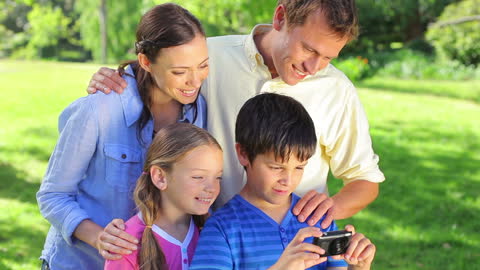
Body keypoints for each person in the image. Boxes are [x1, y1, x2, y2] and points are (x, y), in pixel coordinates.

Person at [87, 0, 385, 257]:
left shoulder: (337, 90)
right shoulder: (210, 58)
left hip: (293, 245)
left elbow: (364, 180)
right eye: (307, 48)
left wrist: (329, 208)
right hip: (210, 240)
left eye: (328, 57)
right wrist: (117, 80)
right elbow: (157, 73)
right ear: (280, 17)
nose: (313, 67)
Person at [36, 3, 211, 269]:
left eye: (203, 66)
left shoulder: (198, 111)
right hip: (82, 263)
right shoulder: (99, 109)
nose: (195, 81)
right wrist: (99, 237)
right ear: (145, 62)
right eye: (179, 71)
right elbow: (52, 195)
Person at [190, 93, 376, 270]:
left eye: (299, 167)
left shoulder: (318, 219)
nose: (288, 180)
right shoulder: (222, 228)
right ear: (243, 154)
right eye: (276, 167)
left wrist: (359, 266)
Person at [104, 123, 223, 270]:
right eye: (198, 177)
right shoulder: (126, 244)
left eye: (218, 177)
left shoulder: (214, 233)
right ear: (160, 177)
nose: (211, 188)